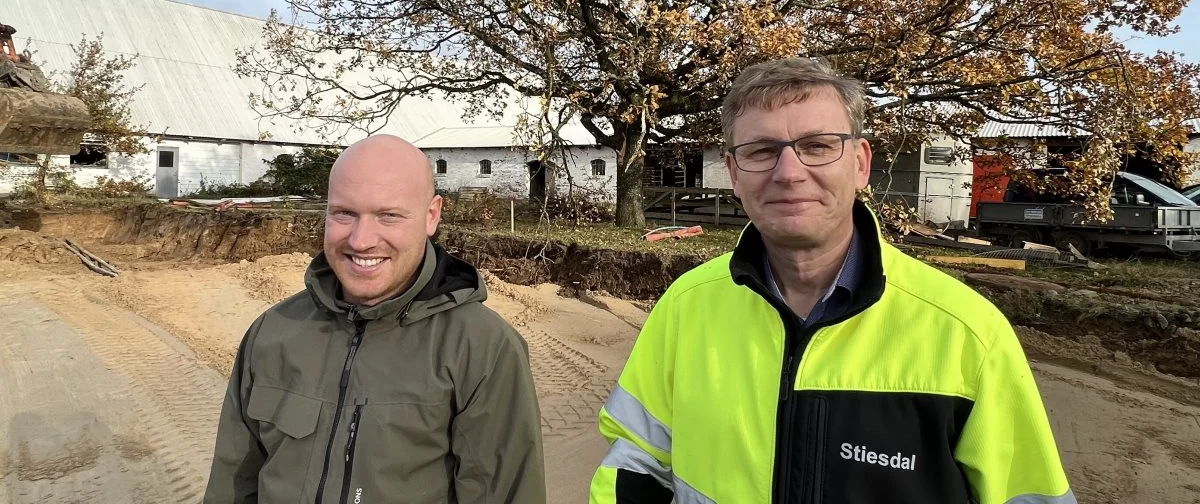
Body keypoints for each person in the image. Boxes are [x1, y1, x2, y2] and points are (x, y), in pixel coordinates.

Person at [589, 58, 1074, 503]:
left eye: (817, 146)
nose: (789, 173)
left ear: (861, 163)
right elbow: (635, 462)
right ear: (734, 173)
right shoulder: (686, 307)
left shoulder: (967, 332)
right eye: (761, 151)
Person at [203, 134, 546, 504]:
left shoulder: (481, 349)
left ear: (432, 215)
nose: (362, 240)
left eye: (389, 215)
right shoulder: (273, 332)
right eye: (344, 213)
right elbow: (232, 484)